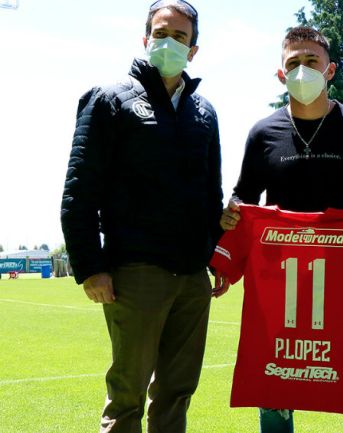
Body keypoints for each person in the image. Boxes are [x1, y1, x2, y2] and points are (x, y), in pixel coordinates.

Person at [216, 26, 343, 433]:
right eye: (293, 63)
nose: (302, 70)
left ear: (330, 69)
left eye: (311, 61)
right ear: (280, 75)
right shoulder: (264, 132)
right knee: (274, 389)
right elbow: (243, 198)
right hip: (276, 285)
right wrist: (230, 215)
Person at [60, 1, 222, 431]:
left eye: (180, 37)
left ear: (194, 49)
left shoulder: (204, 112)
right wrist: (90, 268)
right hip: (135, 273)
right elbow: (79, 190)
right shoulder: (109, 100)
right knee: (127, 398)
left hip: (192, 277)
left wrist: (217, 258)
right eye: (161, 32)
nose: (169, 42)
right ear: (145, 37)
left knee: (177, 392)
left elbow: (212, 195)